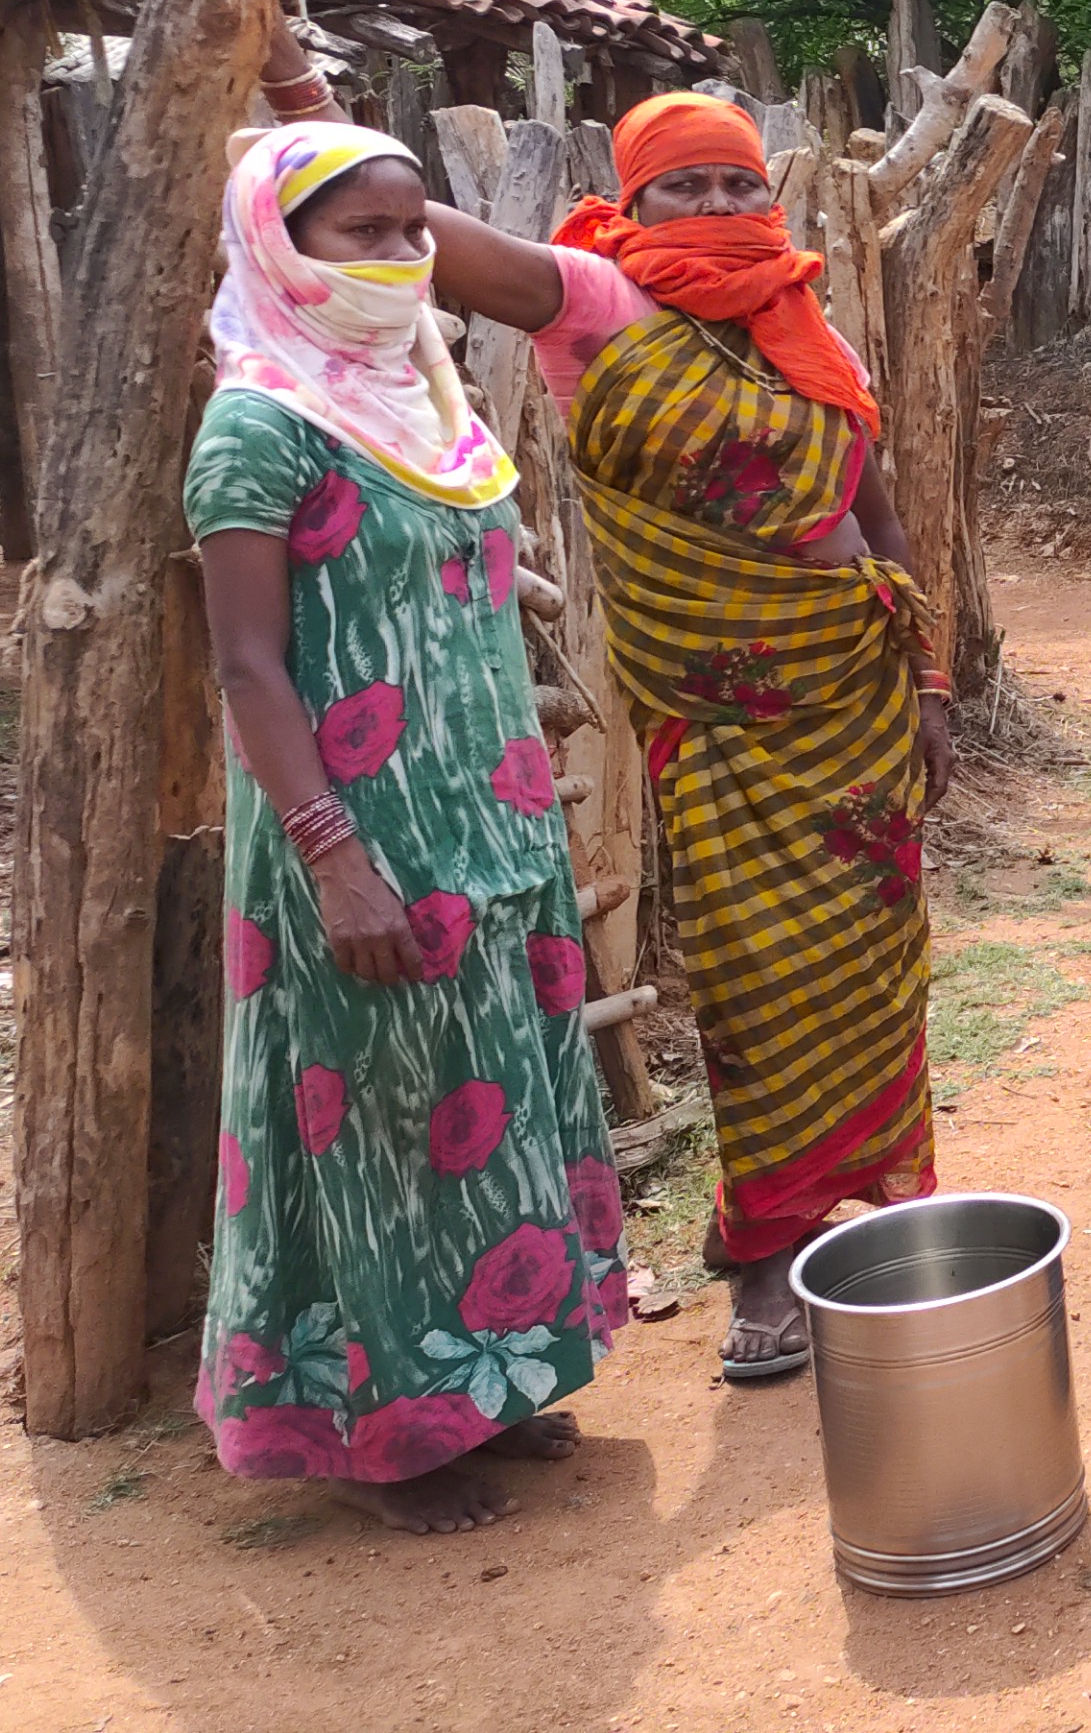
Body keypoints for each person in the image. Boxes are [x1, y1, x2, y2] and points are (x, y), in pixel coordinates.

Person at [397, 89, 948, 1382]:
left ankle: (895, 1203)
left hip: (856, 705)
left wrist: (927, 688)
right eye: (681, 189)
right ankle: (767, 1253)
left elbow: (885, 520)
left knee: (878, 977)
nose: (712, 210)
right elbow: (424, 235)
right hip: (719, 726)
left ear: (772, 198)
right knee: (757, 987)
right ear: (631, 205)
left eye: (733, 186)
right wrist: (313, 141)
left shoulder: (809, 329)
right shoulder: (599, 302)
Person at [185, 123, 627, 1530]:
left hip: (485, 823)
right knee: (377, 1121)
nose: (393, 258)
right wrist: (332, 857)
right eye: (354, 234)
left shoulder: (422, 395)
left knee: (491, 1098)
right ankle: (388, 1437)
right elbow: (250, 665)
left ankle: (486, 1386)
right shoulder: (258, 421)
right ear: (278, 246)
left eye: (405, 231)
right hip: (357, 840)